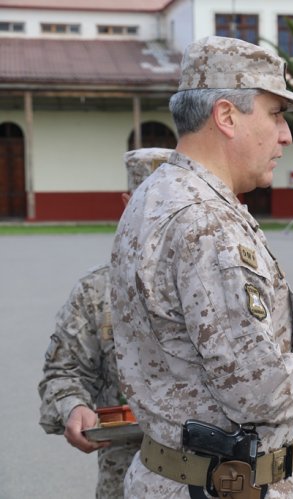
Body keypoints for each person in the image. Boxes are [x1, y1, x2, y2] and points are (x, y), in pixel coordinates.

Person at [109, 36, 293, 499]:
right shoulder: (206, 222)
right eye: (275, 114)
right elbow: (257, 391)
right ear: (226, 116)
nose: (287, 135)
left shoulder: (159, 193)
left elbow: (198, 346)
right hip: (217, 486)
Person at [38, 147, 173, 499]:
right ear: (127, 203)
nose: (159, 218)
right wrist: (74, 406)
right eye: (148, 205)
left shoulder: (218, 282)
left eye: (171, 207)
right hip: (126, 476)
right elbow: (63, 372)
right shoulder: (97, 291)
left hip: (212, 477)